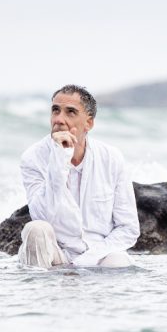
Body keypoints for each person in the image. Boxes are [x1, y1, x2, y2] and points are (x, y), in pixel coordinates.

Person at [18, 84, 140, 268]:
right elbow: (41, 215)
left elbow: (128, 228)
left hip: (97, 255)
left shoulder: (111, 158)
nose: (59, 119)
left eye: (70, 112)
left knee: (118, 261)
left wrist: (85, 261)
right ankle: (42, 295)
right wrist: (60, 158)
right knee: (35, 229)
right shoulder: (33, 157)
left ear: (88, 123)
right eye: (55, 110)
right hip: (54, 255)